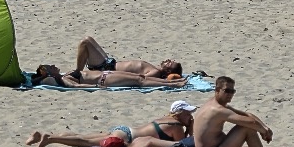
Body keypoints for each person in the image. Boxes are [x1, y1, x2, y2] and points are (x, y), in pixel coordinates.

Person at [190, 76, 287, 147]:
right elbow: (251, 123)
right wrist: (263, 131)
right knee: (246, 128)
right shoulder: (217, 110)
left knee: (247, 139)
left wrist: (265, 127)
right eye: (227, 91)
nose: (230, 94)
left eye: (233, 91)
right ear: (217, 90)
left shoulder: (215, 104)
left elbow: (246, 115)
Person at [26, 101, 196, 147]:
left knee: (83, 136)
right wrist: (190, 127)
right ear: (179, 113)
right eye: (188, 113)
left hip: (124, 130)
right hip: (126, 137)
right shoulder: (176, 127)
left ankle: (40, 135)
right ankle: (50, 138)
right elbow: (183, 145)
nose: (190, 116)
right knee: (84, 141)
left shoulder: (165, 118)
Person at [74, 37, 183, 79]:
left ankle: (78, 72)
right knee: (88, 39)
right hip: (109, 63)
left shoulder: (155, 72)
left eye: (170, 63)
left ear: (168, 70)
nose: (168, 60)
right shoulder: (154, 68)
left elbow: (139, 78)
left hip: (106, 68)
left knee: (84, 43)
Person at [29, 64, 183, 89]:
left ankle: (168, 82)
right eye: (51, 67)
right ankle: (173, 85)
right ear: (49, 73)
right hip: (104, 80)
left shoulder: (63, 75)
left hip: (106, 74)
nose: (54, 65)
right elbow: (75, 87)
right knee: (139, 81)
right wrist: (95, 87)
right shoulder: (62, 79)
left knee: (141, 77)